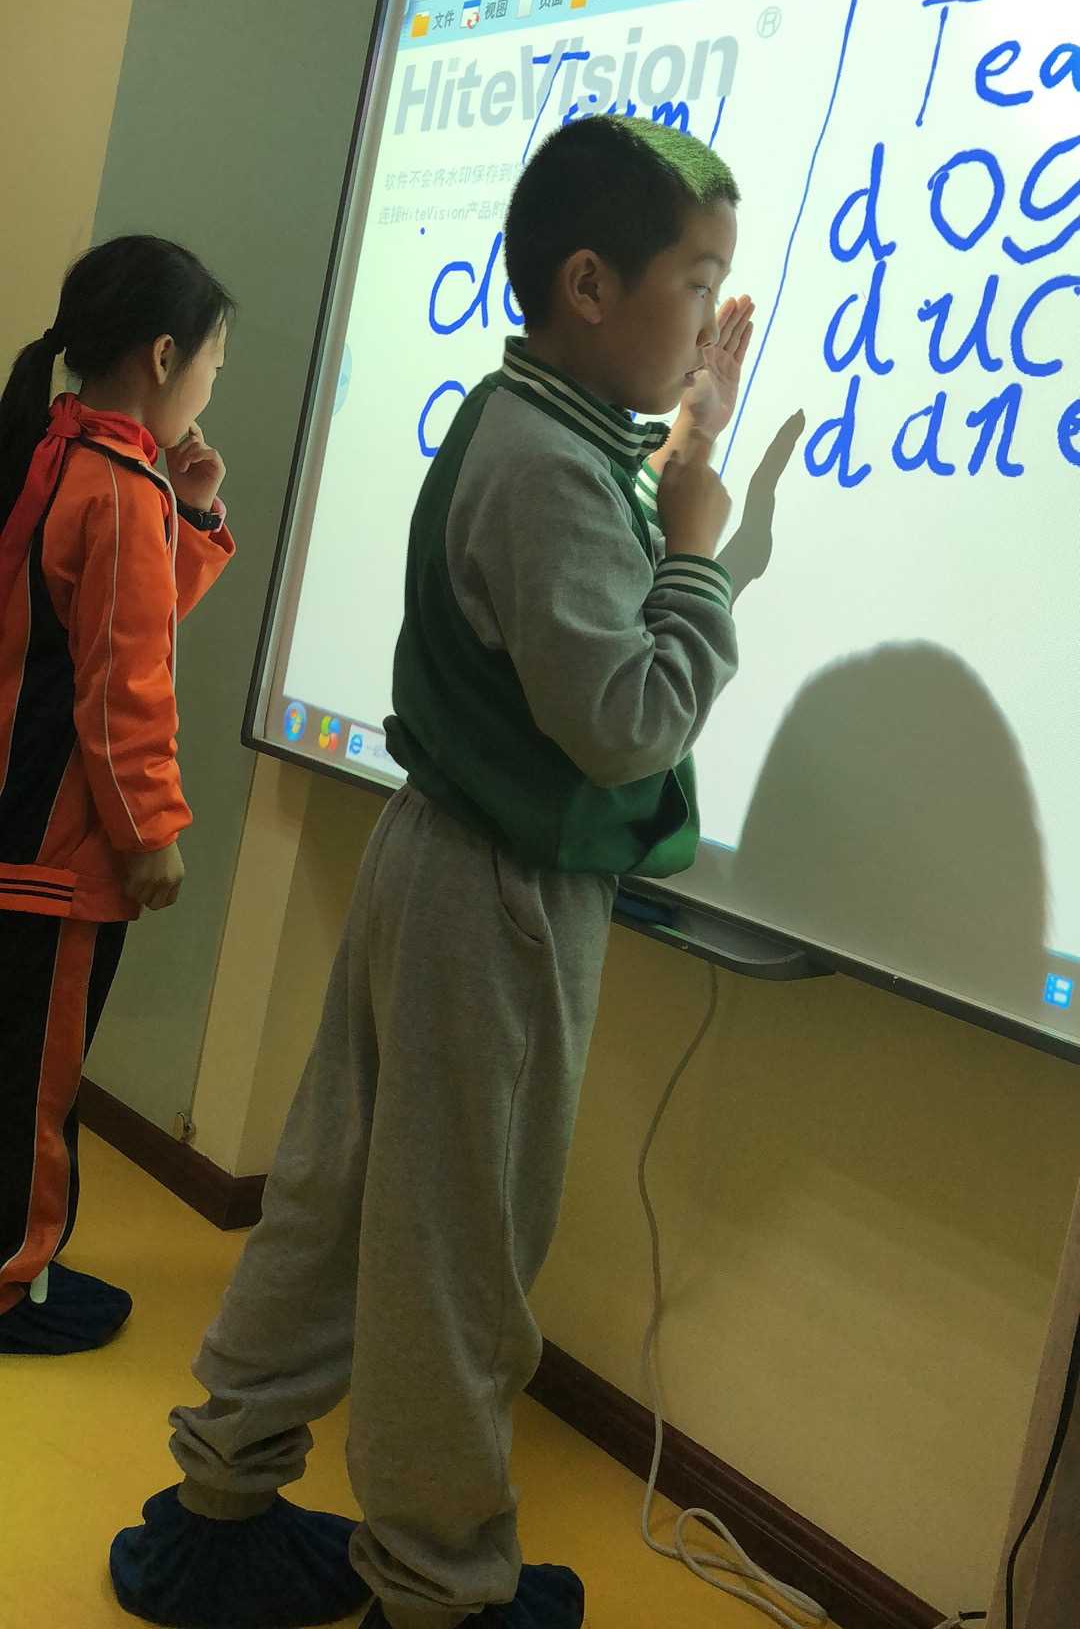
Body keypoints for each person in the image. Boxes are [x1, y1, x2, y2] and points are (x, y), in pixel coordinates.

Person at [108, 117, 754, 1629]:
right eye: (696, 280)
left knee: (334, 1203)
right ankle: (441, 1586)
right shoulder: (551, 471)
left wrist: (684, 457)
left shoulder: (522, 418)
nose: (711, 317)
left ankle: (223, 1498)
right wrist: (703, 552)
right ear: (588, 286)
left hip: (438, 856)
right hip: (504, 902)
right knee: (462, 1258)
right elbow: (626, 722)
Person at [0, 234, 235, 1356]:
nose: (211, 387)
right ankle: (14, 1282)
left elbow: (103, 619)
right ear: (164, 356)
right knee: (35, 1081)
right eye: (214, 364)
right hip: (59, 849)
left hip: (12, 817)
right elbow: (125, 680)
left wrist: (187, 517)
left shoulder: (54, 447)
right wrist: (151, 833)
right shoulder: (120, 485)